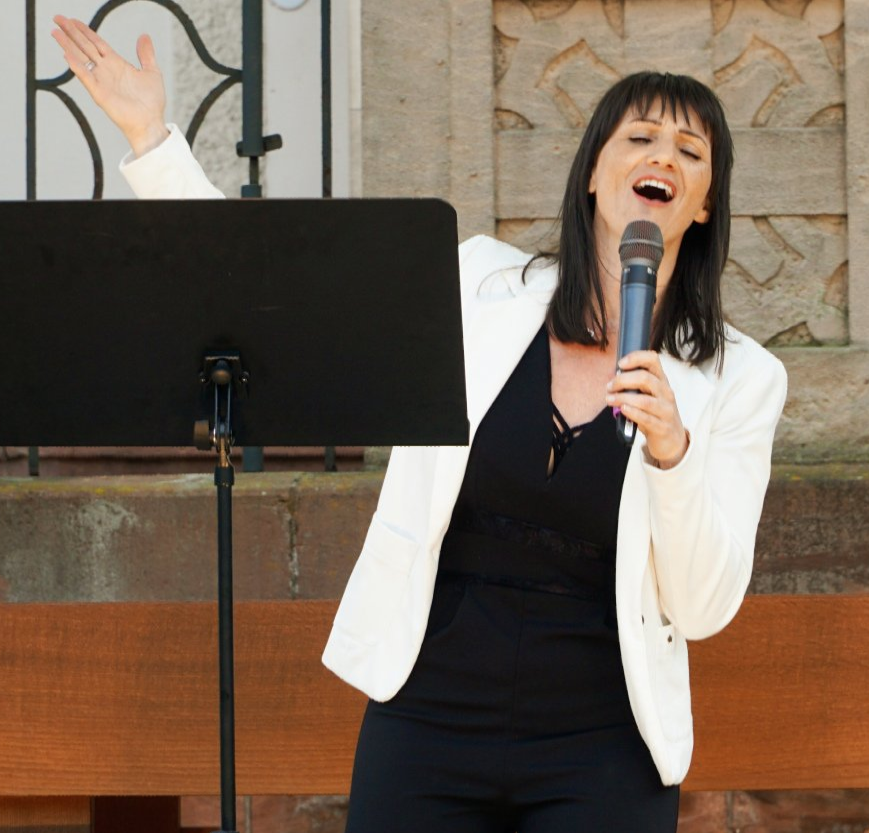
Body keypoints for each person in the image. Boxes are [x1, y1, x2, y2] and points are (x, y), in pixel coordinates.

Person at [53, 14, 787, 832]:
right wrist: (152, 141)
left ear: (705, 202)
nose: (663, 158)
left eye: (690, 151)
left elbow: (703, 606)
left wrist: (672, 454)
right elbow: (291, 309)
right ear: (592, 172)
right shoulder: (480, 287)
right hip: (432, 712)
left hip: (603, 740)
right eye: (640, 138)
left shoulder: (742, 378)